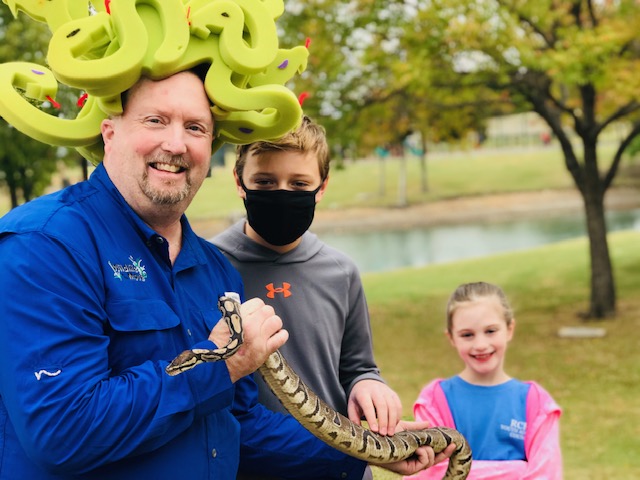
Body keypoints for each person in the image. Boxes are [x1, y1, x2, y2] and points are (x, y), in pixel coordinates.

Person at [0, 71, 454, 480]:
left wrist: (369, 450)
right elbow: (62, 430)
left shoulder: (216, 271)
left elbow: (240, 427)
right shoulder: (46, 243)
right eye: (155, 120)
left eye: (195, 128)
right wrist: (222, 360)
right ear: (110, 132)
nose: (176, 144)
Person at [212, 116, 404, 479]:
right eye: (265, 182)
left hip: (339, 467)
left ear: (322, 187)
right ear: (240, 181)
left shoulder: (341, 271)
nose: (282, 193)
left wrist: (370, 385)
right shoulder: (209, 267)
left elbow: (358, 366)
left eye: (298, 183)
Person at [404, 282, 563, 480]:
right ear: (451, 338)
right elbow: (429, 473)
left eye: (490, 331)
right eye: (467, 335)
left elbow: (546, 474)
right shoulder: (435, 399)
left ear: (510, 329)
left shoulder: (536, 402)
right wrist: (518, 470)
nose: (480, 345)